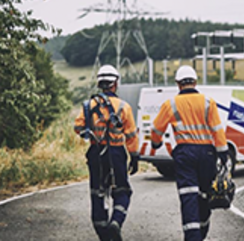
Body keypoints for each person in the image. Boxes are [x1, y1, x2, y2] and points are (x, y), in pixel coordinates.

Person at [151, 65, 228, 241]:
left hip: (185, 153)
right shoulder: (208, 102)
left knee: (188, 197)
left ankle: (192, 237)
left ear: (178, 84)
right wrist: (223, 155)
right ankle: (202, 231)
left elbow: (156, 128)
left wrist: (156, 143)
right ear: (195, 82)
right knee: (204, 195)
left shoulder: (170, 104)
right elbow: (218, 130)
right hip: (207, 154)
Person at [74, 65, 139, 241]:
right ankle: (116, 223)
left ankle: (103, 233)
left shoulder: (89, 105)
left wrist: (93, 126)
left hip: (96, 153)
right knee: (122, 191)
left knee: (98, 192)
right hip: (116, 154)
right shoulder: (124, 107)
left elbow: (78, 127)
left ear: (100, 83)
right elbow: (131, 134)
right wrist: (134, 156)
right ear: (115, 83)